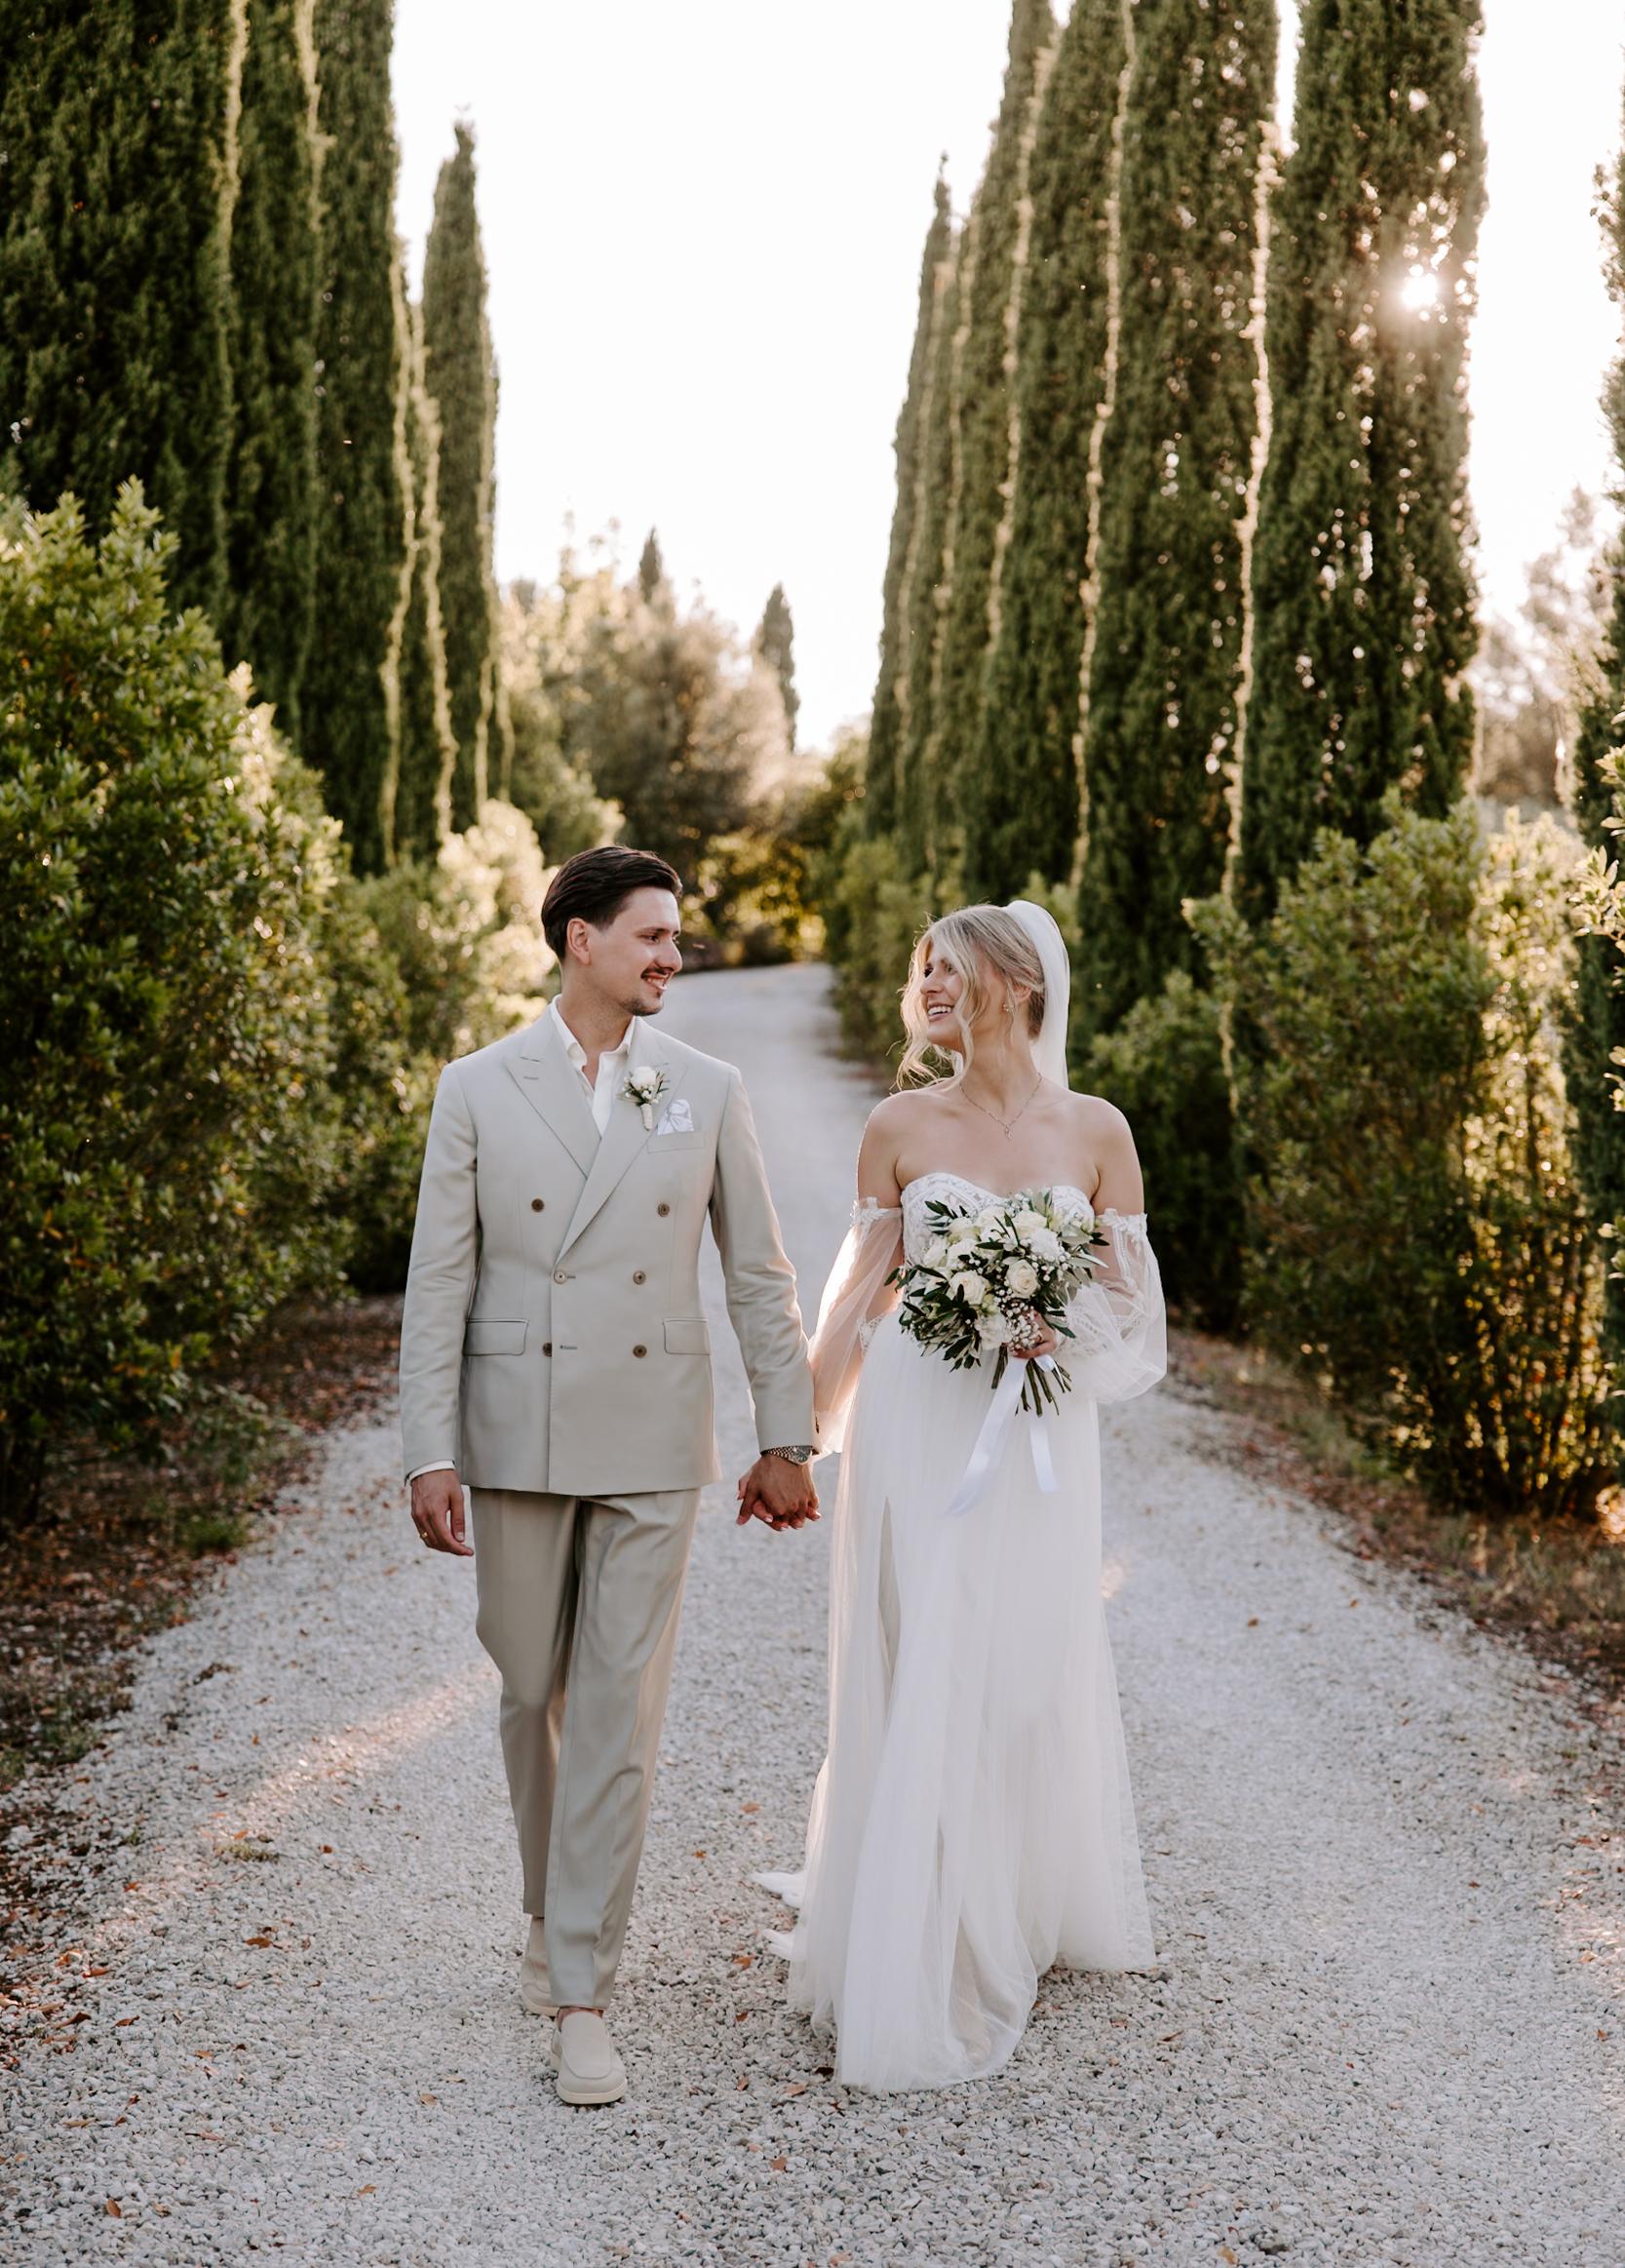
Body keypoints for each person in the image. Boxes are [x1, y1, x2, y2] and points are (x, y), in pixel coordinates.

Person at [399, 844, 820, 2107]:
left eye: (675, 939)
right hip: (514, 1427)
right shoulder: (475, 1088)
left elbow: (759, 1274)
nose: (670, 958)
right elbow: (439, 1277)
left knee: (619, 1714)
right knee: (531, 1688)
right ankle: (550, 1903)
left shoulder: (705, 1085)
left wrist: (784, 1435)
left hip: (649, 1433)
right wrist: (428, 1445)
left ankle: (582, 1987)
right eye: (648, 936)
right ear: (577, 939)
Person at [758, 900, 1164, 2090]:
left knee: (1020, 1658)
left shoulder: (1096, 1131)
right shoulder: (895, 1123)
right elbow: (855, 1292)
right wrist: (795, 1434)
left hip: (1038, 1428)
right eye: (921, 969)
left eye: (952, 967)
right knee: (918, 1640)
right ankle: (909, 1918)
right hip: (918, 1418)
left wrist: (1047, 1321)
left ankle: (1011, 1890)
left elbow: (1131, 1312)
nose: (928, 985)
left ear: (1021, 981)